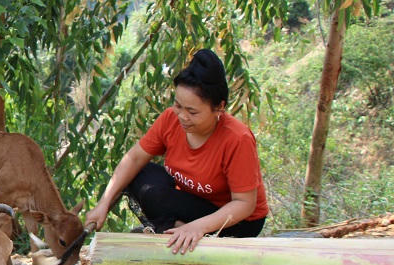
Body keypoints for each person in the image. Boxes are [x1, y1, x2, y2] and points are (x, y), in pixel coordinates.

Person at [84, 48, 269, 254]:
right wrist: (103, 203)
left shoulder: (237, 138)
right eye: (178, 105)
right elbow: (134, 158)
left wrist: (198, 227)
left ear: (219, 107)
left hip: (237, 222)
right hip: (192, 206)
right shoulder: (170, 119)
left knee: (208, 221)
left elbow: (244, 204)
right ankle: (177, 230)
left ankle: (185, 233)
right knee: (142, 175)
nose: (182, 116)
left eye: (192, 112)